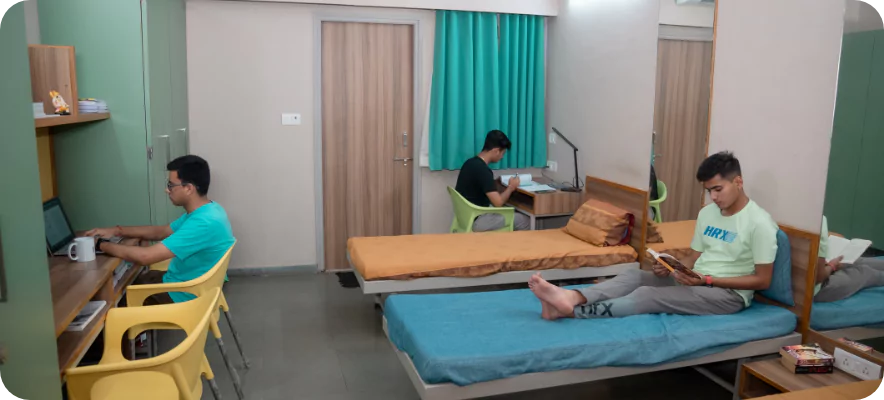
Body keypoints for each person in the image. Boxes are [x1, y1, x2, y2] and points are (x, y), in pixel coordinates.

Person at [529, 151, 778, 320]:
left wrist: (708, 280)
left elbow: (762, 280)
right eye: (708, 191)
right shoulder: (708, 214)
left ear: (738, 182)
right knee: (634, 276)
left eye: (718, 189)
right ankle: (571, 297)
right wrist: (673, 268)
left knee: (647, 295)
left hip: (727, 295)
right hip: (698, 281)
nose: (713, 197)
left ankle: (572, 312)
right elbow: (693, 257)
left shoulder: (759, 223)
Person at [85, 155, 235, 304]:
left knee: (115, 303)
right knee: (133, 282)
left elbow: (145, 257)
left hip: (183, 295)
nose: (167, 190)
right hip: (183, 283)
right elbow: (162, 232)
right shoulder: (210, 209)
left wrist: (101, 245)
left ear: (188, 188)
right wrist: (117, 231)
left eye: (171, 185)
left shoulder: (203, 223)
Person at [454, 130, 531, 232]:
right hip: (478, 219)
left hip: (465, 217)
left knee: (510, 211)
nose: (502, 157)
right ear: (496, 151)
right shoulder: (483, 170)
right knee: (525, 220)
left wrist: (493, 182)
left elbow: (478, 184)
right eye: (502, 153)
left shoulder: (469, 163)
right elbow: (498, 203)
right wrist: (511, 187)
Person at [813, 216, 884, 302]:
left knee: (854, 261)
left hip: (813, 269)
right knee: (865, 272)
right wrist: (831, 266)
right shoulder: (818, 220)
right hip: (814, 289)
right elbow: (819, 277)